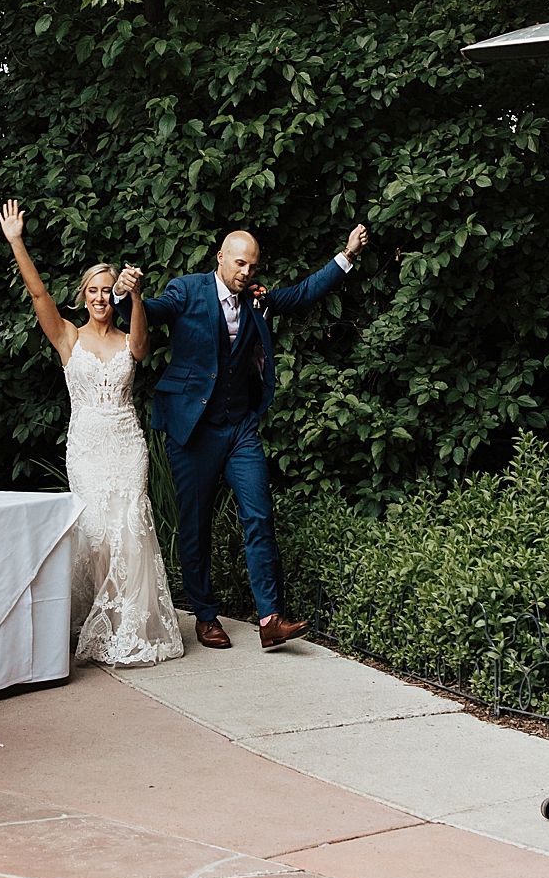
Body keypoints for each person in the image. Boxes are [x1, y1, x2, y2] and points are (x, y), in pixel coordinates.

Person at [120, 223, 367, 651]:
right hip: (193, 429)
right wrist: (128, 295)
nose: (246, 272)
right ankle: (205, 615)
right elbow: (147, 314)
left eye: (252, 266)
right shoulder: (187, 290)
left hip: (239, 427)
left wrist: (346, 255)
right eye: (239, 263)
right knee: (195, 525)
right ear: (220, 257)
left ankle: (270, 619)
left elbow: (302, 293)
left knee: (259, 514)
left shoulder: (257, 299)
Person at [0, 198, 181, 667]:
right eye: (93, 291)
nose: (100, 298)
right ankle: (95, 619)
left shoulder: (127, 339)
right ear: (83, 297)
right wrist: (16, 242)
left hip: (126, 444)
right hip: (86, 447)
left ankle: (130, 627)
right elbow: (39, 295)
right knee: (95, 533)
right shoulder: (68, 337)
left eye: (106, 291)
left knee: (130, 530)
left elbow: (142, 347)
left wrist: (136, 296)